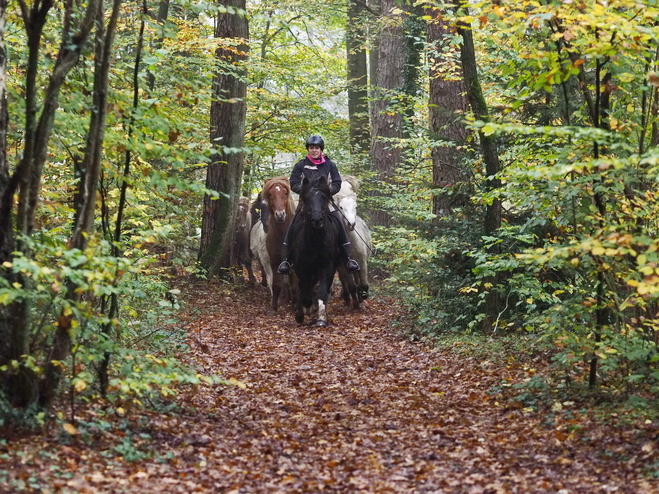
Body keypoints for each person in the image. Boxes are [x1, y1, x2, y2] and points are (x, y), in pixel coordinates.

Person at [277, 135, 360, 275]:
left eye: (316, 148)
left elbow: (336, 182)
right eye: (311, 148)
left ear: (321, 150)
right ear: (308, 149)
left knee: (339, 222)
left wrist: (327, 192)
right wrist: (306, 192)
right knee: (293, 224)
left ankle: (348, 259)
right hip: (306, 202)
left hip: (325, 201)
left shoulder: (329, 165)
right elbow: (294, 183)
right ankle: (286, 260)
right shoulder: (300, 165)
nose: (314, 150)